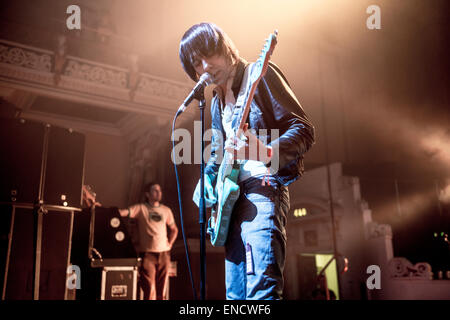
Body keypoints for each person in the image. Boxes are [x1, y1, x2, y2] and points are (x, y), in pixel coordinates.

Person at [179, 23, 315, 300]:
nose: (205, 66)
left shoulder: (259, 75)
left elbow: (304, 130)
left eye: (209, 54)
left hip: (263, 192)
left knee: (260, 292)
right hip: (231, 203)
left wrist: (265, 152)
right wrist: (207, 178)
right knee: (235, 296)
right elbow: (220, 153)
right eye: (196, 63)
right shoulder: (216, 102)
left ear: (225, 48)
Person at [119, 182, 178, 300]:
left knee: (162, 290)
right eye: (155, 190)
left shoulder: (166, 210)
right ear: (147, 194)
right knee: (150, 289)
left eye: (159, 190)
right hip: (148, 255)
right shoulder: (141, 208)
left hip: (164, 254)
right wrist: (106, 210)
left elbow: (174, 229)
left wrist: (170, 244)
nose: (158, 193)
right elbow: (123, 212)